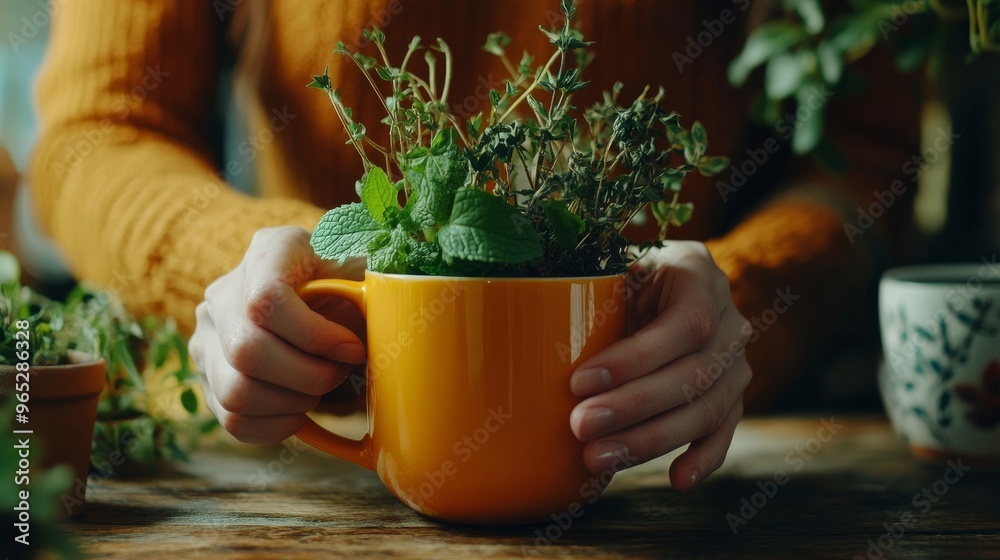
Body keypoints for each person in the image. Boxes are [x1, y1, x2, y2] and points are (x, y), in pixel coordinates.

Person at [29, 1, 918, 492]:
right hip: (321, 468)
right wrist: (241, 267)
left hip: (693, 473)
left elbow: (876, 157)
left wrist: (748, 294)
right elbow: (98, 131)